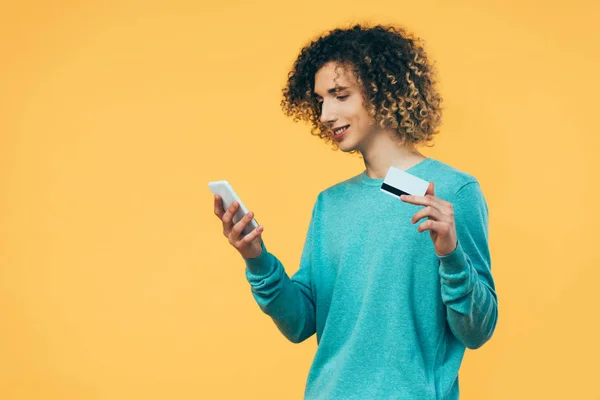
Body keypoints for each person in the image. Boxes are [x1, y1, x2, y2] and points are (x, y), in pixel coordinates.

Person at [213, 23, 498, 400]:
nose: (326, 114)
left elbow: (477, 331)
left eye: (340, 95)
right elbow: (301, 322)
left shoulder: (452, 192)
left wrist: (450, 254)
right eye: (319, 100)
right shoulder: (330, 204)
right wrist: (256, 259)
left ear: (383, 90)